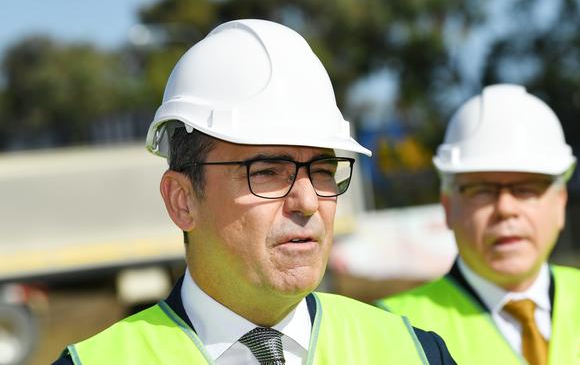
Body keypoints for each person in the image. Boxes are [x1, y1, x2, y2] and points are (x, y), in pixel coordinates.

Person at [53, 19, 455, 364]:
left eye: (323, 170)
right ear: (182, 200)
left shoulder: (415, 352)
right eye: (266, 173)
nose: (308, 201)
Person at [377, 84, 580, 365]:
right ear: (448, 206)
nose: (506, 209)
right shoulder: (390, 331)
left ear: (560, 203)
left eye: (527, 188)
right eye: (481, 190)